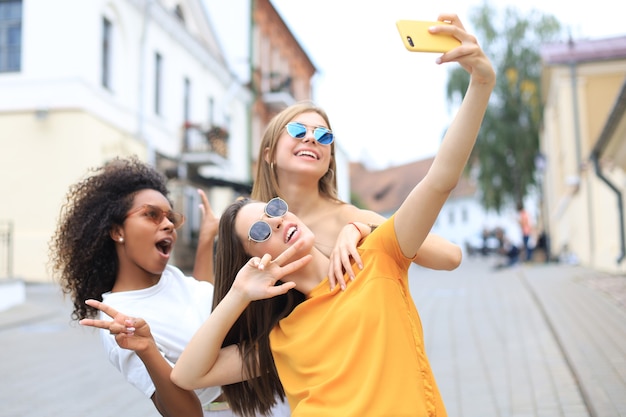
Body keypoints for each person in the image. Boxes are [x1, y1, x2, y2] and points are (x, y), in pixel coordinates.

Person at [171, 14, 496, 417]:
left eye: (324, 136)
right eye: (261, 226)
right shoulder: (282, 334)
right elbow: (187, 375)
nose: (277, 220)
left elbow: (440, 182)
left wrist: (359, 225)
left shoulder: (375, 253)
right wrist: (239, 292)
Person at [48, 156, 291, 417]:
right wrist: (147, 349)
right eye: (151, 215)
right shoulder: (120, 321)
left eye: (170, 218)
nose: (167, 224)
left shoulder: (172, 277)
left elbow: (209, 309)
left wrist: (207, 238)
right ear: (117, 231)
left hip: (279, 394)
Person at [251, 100, 462, 289]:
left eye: (323, 136)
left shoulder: (349, 218)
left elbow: (451, 256)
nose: (311, 138)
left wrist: (364, 230)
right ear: (269, 155)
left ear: (330, 161)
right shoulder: (250, 223)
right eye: (297, 130)